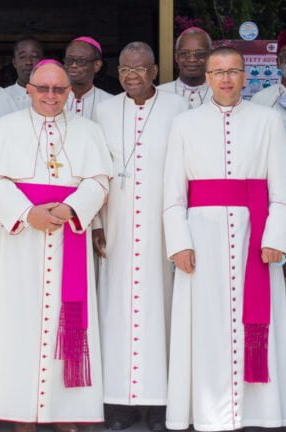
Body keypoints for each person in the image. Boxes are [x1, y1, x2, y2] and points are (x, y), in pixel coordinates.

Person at [0, 60, 112, 432]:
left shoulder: (88, 132)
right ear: (28, 89)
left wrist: (73, 207)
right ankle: (21, 416)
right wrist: (25, 212)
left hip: (69, 239)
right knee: (18, 327)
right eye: (43, 88)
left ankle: (66, 413)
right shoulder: (5, 129)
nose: (50, 96)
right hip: (20, 247)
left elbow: (98, 182)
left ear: (69, 93)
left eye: (59, 90)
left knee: (70, 323)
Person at [163, 47, 286, 432]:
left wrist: (276, 237)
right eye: (217, 72)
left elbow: (281, 191)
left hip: (255, 237)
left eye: (233, 71)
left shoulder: (269, 120)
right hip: (201, 239)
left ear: (245, 76)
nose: (225, 79)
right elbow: (173, 193)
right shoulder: (185, 124)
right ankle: (208, 414)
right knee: (205, 326)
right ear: (206, 77)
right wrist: (179, 243)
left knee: (254, 323)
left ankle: (258, 412)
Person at [92, 42, 185, 432]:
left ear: (155, 70)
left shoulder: (178, 109)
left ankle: (161, 404)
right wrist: (96, 222)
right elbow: (93, 171)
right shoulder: (104, 110)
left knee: (162, 310)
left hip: (162, 228)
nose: (131, 76)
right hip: (115, 225)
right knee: (115, 312)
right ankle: (119, 403)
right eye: (125, 69)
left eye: (140, 69)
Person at [159, 27, 212, 109]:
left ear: (210, 56)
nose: (192, 59)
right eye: (185, 53)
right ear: (176, 57)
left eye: (200, 54)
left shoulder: (221, 94)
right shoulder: (159, 93)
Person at [64, 36, 112, 118]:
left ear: (97, 65)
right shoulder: (52, 98)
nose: (74, 65)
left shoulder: (110, 102)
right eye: (69, 60)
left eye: (81, 61)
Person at [6, 36, 45, 107]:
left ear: (43, 61)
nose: (28, 62)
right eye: (22, 57)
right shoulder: (4, 96)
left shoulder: (56, 95)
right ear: (14, 63)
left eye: (34, 56)